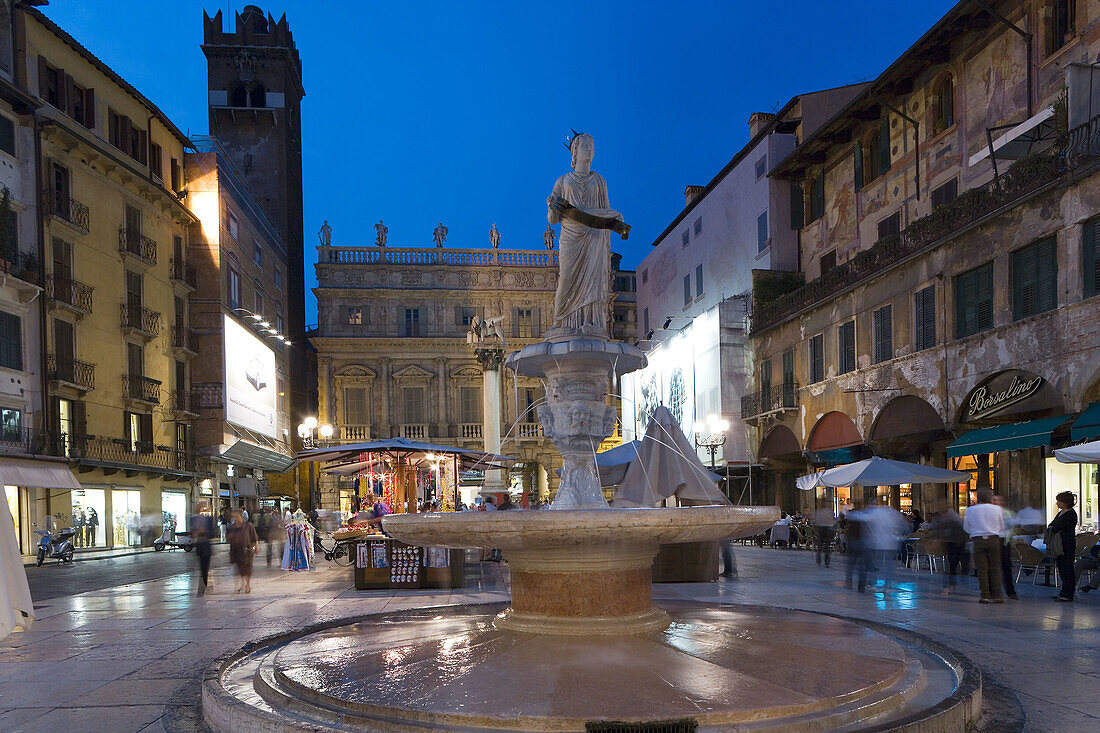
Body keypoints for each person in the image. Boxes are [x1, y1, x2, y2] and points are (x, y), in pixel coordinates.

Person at [963, 490, 1006, 603]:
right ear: (990, 498)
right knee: (995, 568)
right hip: (993, 539)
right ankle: (998, 595)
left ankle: (985, 595)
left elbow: (966, 527)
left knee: (982, 569)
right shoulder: (997, 509)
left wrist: (974, 533)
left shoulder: (970, 510)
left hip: (978, 540)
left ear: (978, 498)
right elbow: (1002, 525)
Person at [930, 501, 967, 596]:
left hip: (957, 542)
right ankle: (948, 586)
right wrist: (937, 538)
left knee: (952, 564)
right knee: (950, 565)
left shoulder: (952, 515)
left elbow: (958, 529)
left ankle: (951, 585)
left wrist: (938, 538)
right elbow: (938, 528)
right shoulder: (942, 516)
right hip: (950, 542)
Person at [1049, 491, 1078, 602]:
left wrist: (1053, 527)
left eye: (1059, 501)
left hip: (1067, 543)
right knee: (1061, 567)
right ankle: (1064, 591)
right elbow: (1052, 525)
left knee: (1067, 568)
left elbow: (1057, 526)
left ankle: (1068, 593)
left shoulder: (1070, 514)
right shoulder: (1061, 513)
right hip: (1060, 544)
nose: (1057, 503)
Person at [226, 509, 258, 594]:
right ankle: (241, 583)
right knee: (239, 568)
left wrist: (256, 548)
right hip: (235, 550)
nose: (235, 519)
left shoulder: (248, 526)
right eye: (233, 517)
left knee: (248, 568)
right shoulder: (231, 527)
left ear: (241, 517)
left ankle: (248, 584)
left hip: (247, 550)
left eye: (237, 517)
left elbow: (254, 538)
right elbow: (227, 538)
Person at [992, 495, 1018, 600]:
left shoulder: (1007, 513)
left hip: (1003, 541)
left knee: (1006, 567)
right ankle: (993, 590)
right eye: (994, 500)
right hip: (995, 540)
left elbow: (1010, 526)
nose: (996, 502)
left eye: (998, 500)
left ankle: (1010, 591)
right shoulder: (991, 512)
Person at [190, 504, 216, 597]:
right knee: (201, 568)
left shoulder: (208, 519)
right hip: (199, 546)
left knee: (205, 568)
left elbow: (213, 533)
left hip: (206, 546)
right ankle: (204, 586)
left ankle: (203, 587)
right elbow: (192, 532)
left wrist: (204, 532)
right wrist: (194, 533)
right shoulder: (192, 519)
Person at [844, 502, 869, 592]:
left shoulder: (852, 515)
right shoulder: (863, 516)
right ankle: (861, 585)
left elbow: (847, 526)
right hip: (862, 542)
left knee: (851, 564)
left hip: (853, 541)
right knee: (861, 565)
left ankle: (849, 582)